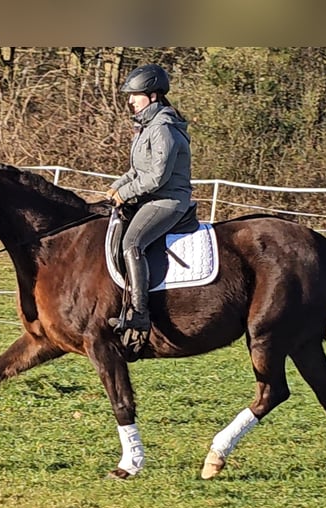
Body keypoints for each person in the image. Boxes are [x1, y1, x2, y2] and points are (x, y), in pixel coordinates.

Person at [106, 63, 193, 352]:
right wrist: (116, 189)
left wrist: (126, 193)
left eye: (136, 95)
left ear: (154, 96)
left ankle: (139, 314)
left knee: (133, 243)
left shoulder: (163, 128)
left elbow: (157, 176)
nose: (130, 100)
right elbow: (135, 170)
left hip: (168, 201)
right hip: (151, 198)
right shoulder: (147, 128)